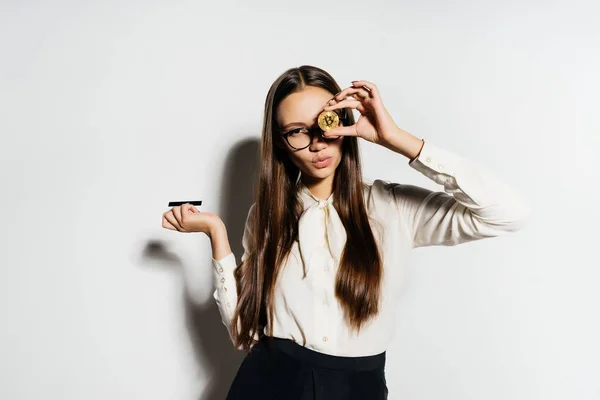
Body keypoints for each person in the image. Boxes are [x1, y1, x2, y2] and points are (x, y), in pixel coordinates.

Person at [161, 65, 530, 399]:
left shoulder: (393, 208)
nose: (317, 144)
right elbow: (245, 332)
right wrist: (216, 233)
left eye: (325, 124)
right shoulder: (266, 217)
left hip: (358, 388)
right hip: (269, 383)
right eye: (297, 132)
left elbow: (508, 214)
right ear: (281, 143)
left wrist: (397, 139)